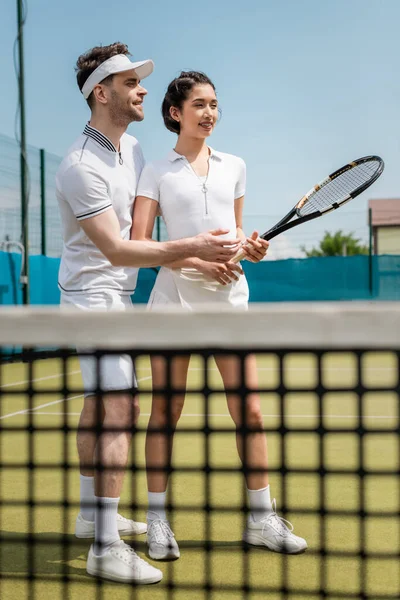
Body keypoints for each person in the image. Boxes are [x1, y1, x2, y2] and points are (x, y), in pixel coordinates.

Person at [56, 45, 241, 585]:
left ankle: (92, 515)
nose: (141, 90)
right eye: (130, 82)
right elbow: (117, 249)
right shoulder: (79, 166)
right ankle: (105, 548)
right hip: (93, 298)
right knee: (119, 409)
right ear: (101, 92)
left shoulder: (132, 148)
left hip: (118, 296)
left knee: (100, 405)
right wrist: (193, 249)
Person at [132, 71, 308, 560]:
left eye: (215, 105)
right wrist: (195, 260)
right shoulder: (157, 171)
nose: (210, 113)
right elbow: (141, 243)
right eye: (200, 105)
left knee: (249, 409)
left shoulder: (236, 165)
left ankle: (261, 519)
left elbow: (233, 233)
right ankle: (157, 520)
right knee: (167, 411)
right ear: (175, 113)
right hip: (174, 303)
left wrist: (249, 247)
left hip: (230, 301)